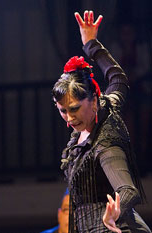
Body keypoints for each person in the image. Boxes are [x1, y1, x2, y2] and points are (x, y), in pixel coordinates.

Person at [52, 10, 151, 232]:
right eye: (62, 111)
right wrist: (90, 43)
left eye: (75, 109)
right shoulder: (106, 107)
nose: (69, 117)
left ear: (94, 100)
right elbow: (117, 78)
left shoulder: (104, 143)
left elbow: (127, 190)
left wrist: (115, 212)